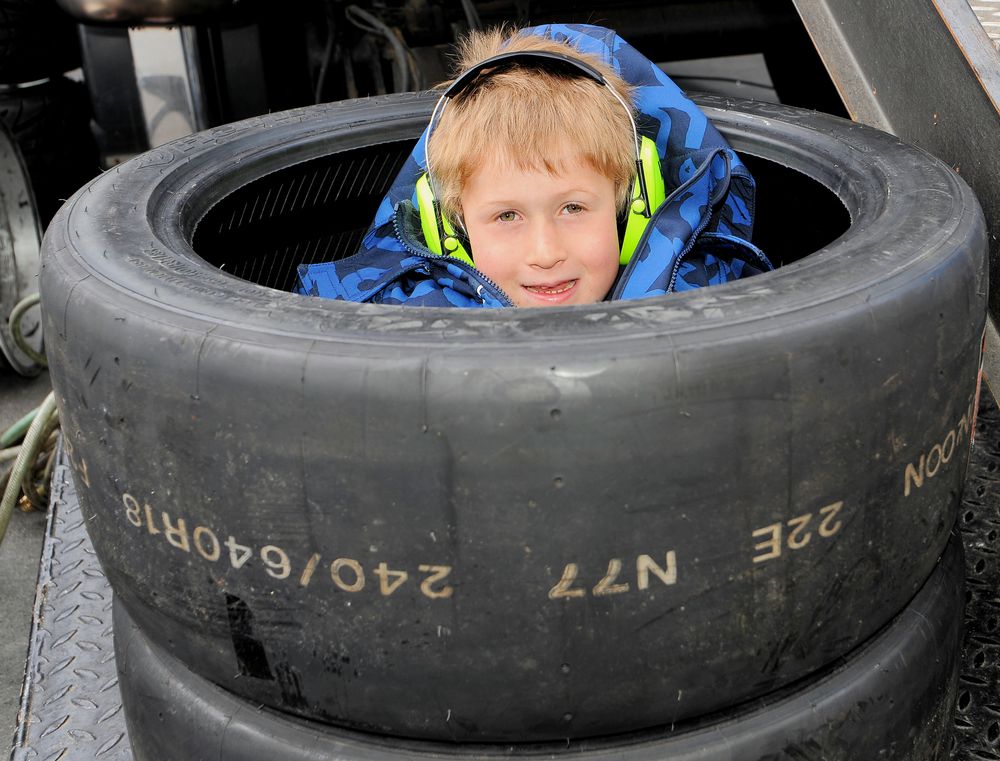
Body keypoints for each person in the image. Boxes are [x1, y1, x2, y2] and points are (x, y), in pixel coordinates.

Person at [297, 23, 772, 307]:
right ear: (451, 226)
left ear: (633, 207)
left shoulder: (714, 303)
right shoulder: (396, 334)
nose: (545, 253)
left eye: (572, 208)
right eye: (507, 216)